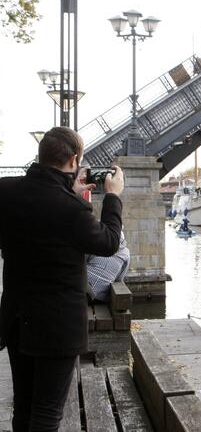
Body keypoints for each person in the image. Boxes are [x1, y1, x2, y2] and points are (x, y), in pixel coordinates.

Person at [0, 126, 124, 431]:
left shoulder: (5, 191)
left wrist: (70, 192)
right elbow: (108, 243)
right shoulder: (72, 209)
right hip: (57, 327)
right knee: (47, 412)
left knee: (24, 405)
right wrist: (112, 197)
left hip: (17, 317)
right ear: (73, 159)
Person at [87, 231, 131, 302]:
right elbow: (119, 278)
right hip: (99, 295)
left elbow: (84, 262)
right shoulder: (126, 253)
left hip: (82, 288)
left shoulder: (97, 243)